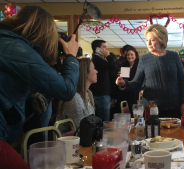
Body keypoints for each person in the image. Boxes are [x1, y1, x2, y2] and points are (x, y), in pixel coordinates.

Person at [0, 6, 79, 168]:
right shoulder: (15, 48)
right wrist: (71, 57)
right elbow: (66, 90)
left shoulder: (8, 42)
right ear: (44, 32)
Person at [116, 24, 184, 118]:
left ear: (161, 39)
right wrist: (124, 83)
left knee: (174, 132)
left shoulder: (174, 56)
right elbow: (137, 83)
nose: (148, 43)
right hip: (151, 108)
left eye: (152, 40)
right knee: (152, 132)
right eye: (147, 40)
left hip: (174, 106)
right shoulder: (144, 59)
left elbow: (182, 82)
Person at [56, 57, 97, 133]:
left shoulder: (89, 93)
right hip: (70, 143)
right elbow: (81, 129)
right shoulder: (74, 98)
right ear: (86, 73)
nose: (96, 71)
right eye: (94, 69)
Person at [89, 40, 117, 122]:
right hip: (101, 94)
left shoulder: (98, 59)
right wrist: (108, 56)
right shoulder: (97, 60)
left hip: (100, 93)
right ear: (97, 49)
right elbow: (113, 66)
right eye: (104, 47)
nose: (106, 49)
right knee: (104, 122)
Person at [121, 46, 141, 116]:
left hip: (137, 93)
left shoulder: (139, 66)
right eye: (128, 55)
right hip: (127, 93)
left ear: (135, 56)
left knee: (138, 113)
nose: (130, 56)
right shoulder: (124, 65)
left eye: (132, 54)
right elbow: (123, 80)